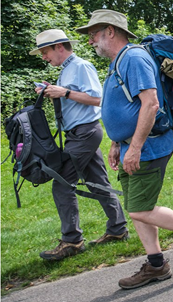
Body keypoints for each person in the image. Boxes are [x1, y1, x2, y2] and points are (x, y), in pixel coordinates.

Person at [77, 9, 173, 289]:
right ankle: (156, 265)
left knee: (139, 210)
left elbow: (150, 104)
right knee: (137, 207)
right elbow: (124, 105)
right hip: (132, 145)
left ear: (111, 31)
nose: (91, 41)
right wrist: (117, 142)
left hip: (149, 147)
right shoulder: (120, 60)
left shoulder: (135, 58)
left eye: (93, 34)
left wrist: (135, 147)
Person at [30, 29, 128, 261]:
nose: (44, 57)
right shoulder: (66, 70)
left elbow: (99, 99)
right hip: (79, 133)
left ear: (59, 47)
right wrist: (54, 91)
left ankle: (72, 241)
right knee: (97, 182)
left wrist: (64, 92)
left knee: (62, 184)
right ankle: (117, 229)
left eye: (45, 52)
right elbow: (73, 96)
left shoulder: (81, 66)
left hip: (85, 132)